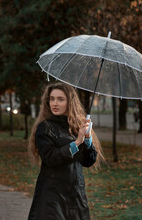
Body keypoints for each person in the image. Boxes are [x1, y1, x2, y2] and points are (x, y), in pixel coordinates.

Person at [28, 82, 105, 220]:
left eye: (60, 99)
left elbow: (87, 161)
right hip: (52, 195)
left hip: (75, 194)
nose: (55, 103)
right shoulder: (45, 128)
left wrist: (87, 139)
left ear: (70, 102)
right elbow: (50, 158)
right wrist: (76, 143)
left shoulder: (77, 127)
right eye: (52, 99)